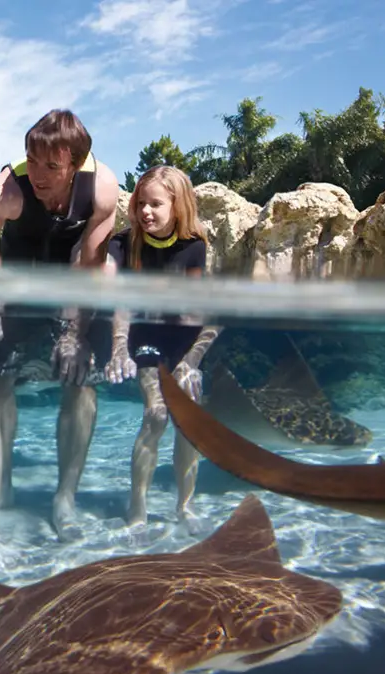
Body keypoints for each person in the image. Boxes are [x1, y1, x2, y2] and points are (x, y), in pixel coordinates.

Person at [0, 108, 121, 561]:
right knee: (1, 383)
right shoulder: (9, 187)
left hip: (70, 282)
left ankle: (65, 499)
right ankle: (5, 480)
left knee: (82, 385)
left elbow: (90, 268)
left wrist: (74, 333)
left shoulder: (103, 189)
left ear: (74, 164)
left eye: (51, 167)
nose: (37, 174)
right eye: (31, 161)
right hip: (13, 286)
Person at [102, 164, 222, 533]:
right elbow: (118, 302)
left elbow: (208, 316)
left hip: (185, 343)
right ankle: (137, 506)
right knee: (156, 415)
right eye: (140, 203)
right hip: (146, 337)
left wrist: (191, 362)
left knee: (189, 423)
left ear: (178, 205)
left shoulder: (194, 248)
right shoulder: (122, 245)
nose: (145, 212)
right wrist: (119, 348)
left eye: (155, 204)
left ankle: (184, 506)